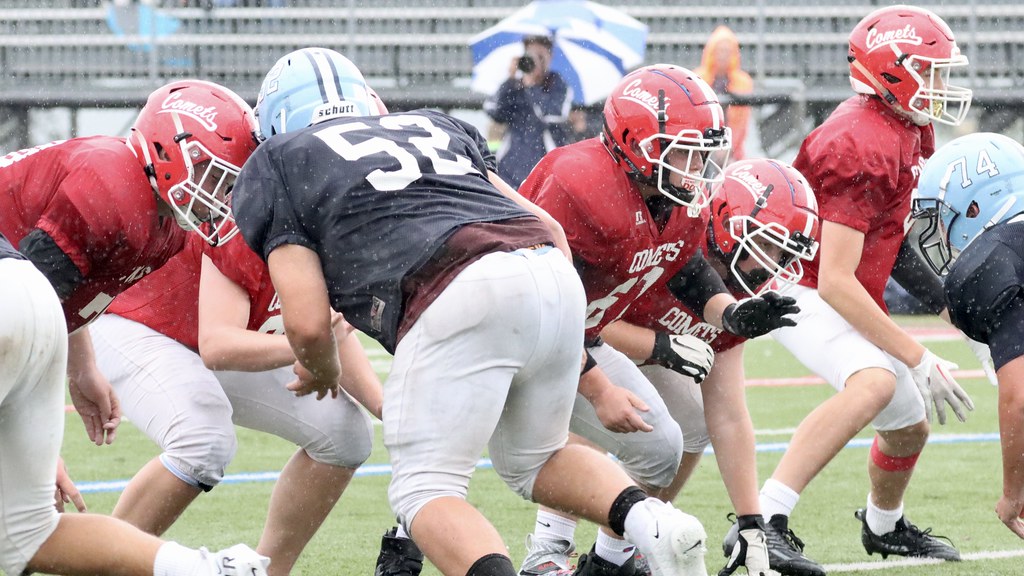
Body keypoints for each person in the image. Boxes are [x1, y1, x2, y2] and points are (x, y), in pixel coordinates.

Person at [230, 46, 777, 576]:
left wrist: (322, 367)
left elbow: (308, 324)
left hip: (453, 285)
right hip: (549, 273)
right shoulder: (434, 124)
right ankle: (651, 522)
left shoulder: (280, 160)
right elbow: (550, 228)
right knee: (536, 459)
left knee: (426, 488)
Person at [515, 65, 801, 576]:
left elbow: (686, 265)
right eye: (685, 151)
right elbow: (542, 301)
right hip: (520, 329)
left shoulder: (677, 203)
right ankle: (544, 547)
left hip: (580, 336)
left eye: (702, 153)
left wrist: (729, 313)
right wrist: (632, 365)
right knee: (461, 445)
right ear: (636, 144)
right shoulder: (582, 185)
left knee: (663, 446)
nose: (698, 168)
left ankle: (612, 559)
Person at [734, 5, 976, 573]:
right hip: (800, 286)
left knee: (908, 427)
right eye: (929, 70)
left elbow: (892, 240)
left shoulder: (906, 125)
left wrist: (952, 309)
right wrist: (916, 354)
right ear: (892, 70)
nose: (940, 84)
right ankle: (763, 523)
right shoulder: (860, 140)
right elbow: (837, 281)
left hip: (837, 286)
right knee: (874, 383)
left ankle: (883, 526)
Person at [0, 81, 268, 575]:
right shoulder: (111, 180)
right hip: (14, 297)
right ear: (169, 148)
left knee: (27, 531)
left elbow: (49, 294)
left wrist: (83, 367)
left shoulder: (163, 226)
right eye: (213, 175)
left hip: (19, 305)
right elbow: (32, 286)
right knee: (27, 529)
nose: (221, 196)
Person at [89, 223, 382, 575]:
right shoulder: (258, 219)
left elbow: (330, 326)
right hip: (138, 322)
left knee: (346, 434)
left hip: (202, 332)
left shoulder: (329, 223)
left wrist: (386, 409)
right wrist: (309, 349)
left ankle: (271, 571)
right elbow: (219, 344)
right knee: (203, 440)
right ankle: (100, 565)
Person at [600, 158, 820, 576]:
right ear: (726, 221)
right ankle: (550, 545)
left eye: (783, 252)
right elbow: (588, 322)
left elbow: (729, 413)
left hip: (647, 352)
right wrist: (659, 346)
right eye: (767, 244)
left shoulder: (740, 291)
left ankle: (625, 546)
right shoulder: (672, 238)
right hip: (582, 350)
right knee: (595, 406)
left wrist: (751, 523)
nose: (771, 262)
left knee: (692, 422)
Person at [911, 131, 1024, 540]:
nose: (941, 231)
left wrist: (1012, 493)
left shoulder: (993, 261)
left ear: (974, 207)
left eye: (943, 217)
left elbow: (1019, 399)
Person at [483, 34, 573, 188]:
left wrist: (532, 88)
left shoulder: (557, 84)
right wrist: (510, 80)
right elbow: (494, 111)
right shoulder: (516, 85)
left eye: (540, 56)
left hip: (546, 167)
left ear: (550, 57)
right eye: (531, 55)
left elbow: (553, 114)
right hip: (510, 167)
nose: (535, 61)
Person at [695, 25, 753, 163]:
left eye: (727, 51)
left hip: (732, 149)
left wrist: (729, 146)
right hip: (702, 144)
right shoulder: (698, 78)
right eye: (720, 50)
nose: (723, 55)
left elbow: (741, 123)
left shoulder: (743, 82)